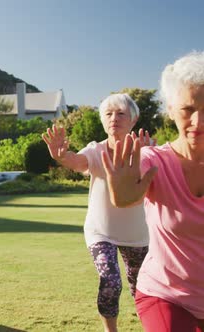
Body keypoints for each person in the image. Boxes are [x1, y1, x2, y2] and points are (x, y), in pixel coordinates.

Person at [101, 52, 204, 331]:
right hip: (165, 295)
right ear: (170, 109)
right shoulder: (154, 160)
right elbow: (125, 196)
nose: (199, 121)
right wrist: (121, 192)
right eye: (188, 109)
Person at [42, 94, 151, 332]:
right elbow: (78, 162)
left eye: (121, 113)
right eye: (108, 114)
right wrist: (62, 156)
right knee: (110, 281)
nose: (114, 118)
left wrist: (146, 157)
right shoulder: (96, 150)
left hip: (138, 235)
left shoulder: (148, 151)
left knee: (143, 289)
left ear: (133, 120)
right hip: (102, 232)